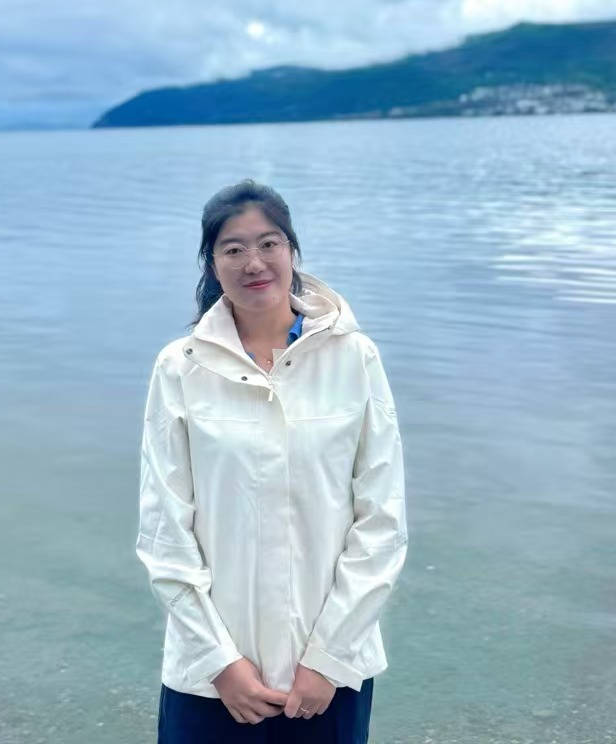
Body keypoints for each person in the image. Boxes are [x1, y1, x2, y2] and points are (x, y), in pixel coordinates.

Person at [136, 179, 408, 744]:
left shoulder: (353, 357)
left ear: (292, 250)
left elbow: (382, 520)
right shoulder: (180, 368)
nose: (253, 262)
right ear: (212, 264)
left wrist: (328, 659)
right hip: (211, 680)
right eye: (233, 249)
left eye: (268, 243)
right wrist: (220, 663)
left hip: (330, 676)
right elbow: (164, 531)